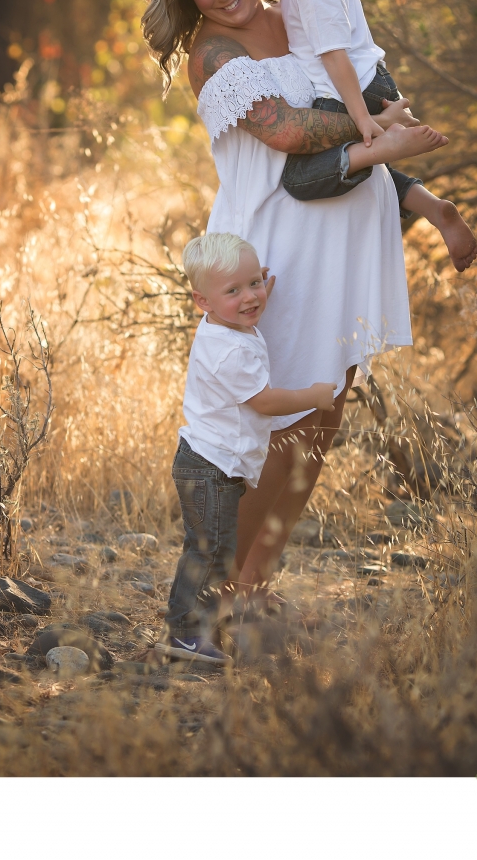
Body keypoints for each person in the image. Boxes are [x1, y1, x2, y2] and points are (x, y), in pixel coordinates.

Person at [141, 0, 445, 610]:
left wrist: (403, 169)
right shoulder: (214, 54)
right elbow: (288, 132)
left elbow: (362, 75)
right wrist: (379, 131)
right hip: (270, 248)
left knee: (323, 418)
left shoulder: (302, 13)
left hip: (335, 241)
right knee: (264, 431)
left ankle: (254, 585)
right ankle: (214, 594)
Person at [264, 0, 477, 272]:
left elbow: (335, 57)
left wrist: (366, 122)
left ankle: (389, 139)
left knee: (300, 178)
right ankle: (436, 209)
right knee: (359, 164)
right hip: (370, 83)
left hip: (351, 90)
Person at [154, 232, 335, 665]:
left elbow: (240, 302)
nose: (250, 297)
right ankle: (183, 634)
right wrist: (313, 396)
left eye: (254, 283)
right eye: (233, 290)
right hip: (210, 467)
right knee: (209, 552)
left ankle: (199, 626)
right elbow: (265, 402)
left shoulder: (222, 322)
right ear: (203, 301)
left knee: (215, 550)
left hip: (214, 463)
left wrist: (248, 295)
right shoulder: (229, 352)